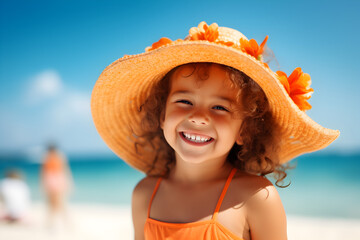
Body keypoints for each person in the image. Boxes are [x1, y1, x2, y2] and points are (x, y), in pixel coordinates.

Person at [91, 21, 340, 239]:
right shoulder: (144, 195)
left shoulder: (257, 198)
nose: (199, 117)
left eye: (220, 107)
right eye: (185, 101)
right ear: (162, 115)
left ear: (245, 130)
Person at [40, 144, 73, 230]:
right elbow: (66, 170)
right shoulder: (60, 157)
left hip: (52, 179)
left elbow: (43, 173)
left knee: (53, 204)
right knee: (60, 204)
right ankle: (64, 223)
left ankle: (52, 224)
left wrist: (42, 184)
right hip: (57, 179)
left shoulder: (46, 157)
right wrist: (69, 183)